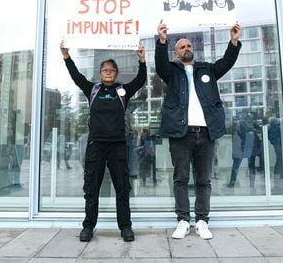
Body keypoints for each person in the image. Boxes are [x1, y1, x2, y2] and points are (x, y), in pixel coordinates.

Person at [155, 20, 241, 240]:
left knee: (204, 180)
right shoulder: (172, 72)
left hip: (205, 133)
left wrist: (233, 42)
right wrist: (162, 41)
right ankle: (183, 220)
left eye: (189, 46)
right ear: (176, 52)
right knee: (180, 179)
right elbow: (160, 64)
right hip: (180, 134)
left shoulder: (207, 70)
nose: (186, 48)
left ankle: (202, 220)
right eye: (182, 47)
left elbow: (226, 63)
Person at [61, 40, 147, 242]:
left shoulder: (123, 92)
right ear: (100, 73)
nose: (108, 72)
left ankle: (125, 227)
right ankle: (88, 227)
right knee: (92, 188)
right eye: (105, 69)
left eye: (112, 70)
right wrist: (66, 56)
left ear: (116, 73)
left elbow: (141, 79)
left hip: (117, 145)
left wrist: (142, 60)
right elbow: (76, 76)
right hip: (95, 146)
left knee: (122, 188)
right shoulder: (92, 89)